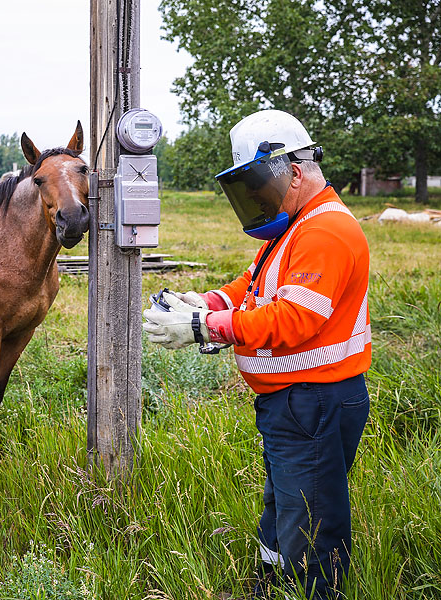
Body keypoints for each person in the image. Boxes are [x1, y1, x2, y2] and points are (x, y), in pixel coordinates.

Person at [143, 110, 370, 599]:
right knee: (285, 510)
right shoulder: (294, 227)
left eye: (258, 184)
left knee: (311, 526)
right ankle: (268, 587)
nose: (255, 199)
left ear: (291, 170)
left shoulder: (324, 232)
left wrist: (204, 328)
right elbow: (252, 284)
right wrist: (206, 303)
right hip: (293, 404)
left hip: (314, 401)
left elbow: (294, 319)